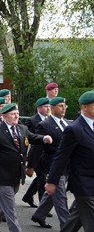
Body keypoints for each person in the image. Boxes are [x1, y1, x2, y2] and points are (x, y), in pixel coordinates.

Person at [0, 103, 52, 232]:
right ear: (4, 116)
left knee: (2, 204)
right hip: (2, 176)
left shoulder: (22, 129)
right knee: (10, 207)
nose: (16, 116)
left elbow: (32, 137)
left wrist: (44, 138)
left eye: (17, 113)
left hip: (16, 175)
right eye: (13, 114)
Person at [45, 90, 94, 232]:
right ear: (84, 107)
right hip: (84, 185)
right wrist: (52, 181)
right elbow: (61, 157)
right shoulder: (74, 129)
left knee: (74, 220)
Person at [29, 97, 71, 229]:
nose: (64, 108)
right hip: (52, 165)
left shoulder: (66, 123)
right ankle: (68, 226)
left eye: (65, 105)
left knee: (51, 193)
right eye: (60, 106)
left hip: (67, 165)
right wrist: (31, 165)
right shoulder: (44, 125)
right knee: (61, 197)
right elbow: (37, 147)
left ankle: (39, 215)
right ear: (52, 109)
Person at [22, 97, 51, 208]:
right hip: (37, 154)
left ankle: (28, 196)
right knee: (42, 179)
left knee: (40, 178)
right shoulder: (32, 120)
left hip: (48, 155)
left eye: (49, 106)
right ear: (39, 108)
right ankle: (43, 207)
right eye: (45, 106)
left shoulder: (50, 119)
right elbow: (29, 138)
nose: (48, 108)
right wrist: (30, 164)